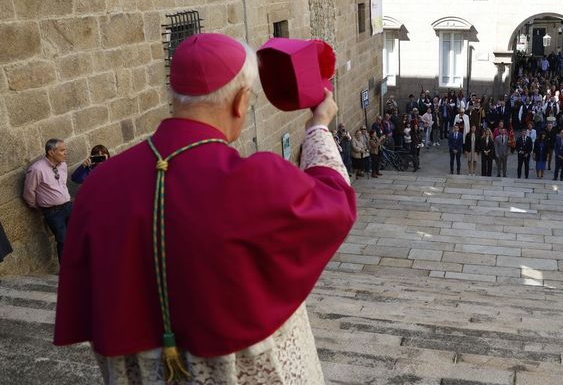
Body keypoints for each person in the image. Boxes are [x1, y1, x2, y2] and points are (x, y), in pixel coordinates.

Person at [53, 34, 356, 383]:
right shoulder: (257, 181)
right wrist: (318, 128)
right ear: (241, 101)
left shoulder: (99, 185)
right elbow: (336, 201)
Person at [23, 138, 71, 264]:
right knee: (63, 240)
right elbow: (29, 192)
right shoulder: (37, 169)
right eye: (62, 150)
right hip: (53, 211)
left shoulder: (63, 165)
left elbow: (62, 184)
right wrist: (38, 206)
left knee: (77, 235)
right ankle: (66, 271)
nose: (65, 152)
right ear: (51, 152)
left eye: (65, 149)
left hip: (68, 206)